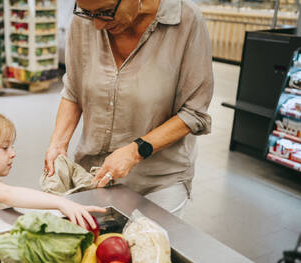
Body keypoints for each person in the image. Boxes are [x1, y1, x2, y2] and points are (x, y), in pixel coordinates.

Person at [44, 0, 213, 218]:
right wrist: (58, 143)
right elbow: (73, 90)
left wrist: (135, 151)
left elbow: (194, 112)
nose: (96, 24)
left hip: (158, 181)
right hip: (94, 175)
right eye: (87, 12)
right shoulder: (84, 21)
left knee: (147, 246)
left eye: (105, 12)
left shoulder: (185, 21)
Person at [0, 111, 106, 229]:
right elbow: (9, 194)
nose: (13, 153)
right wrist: (61, 202)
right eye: (4, 148)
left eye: (12, 146)